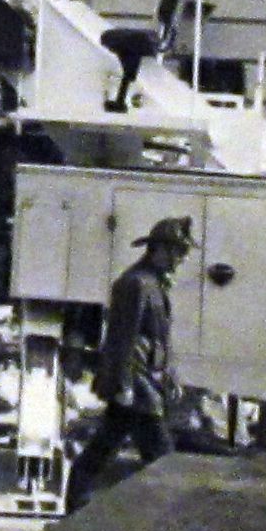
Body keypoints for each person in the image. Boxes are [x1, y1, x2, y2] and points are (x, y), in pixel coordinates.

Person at [65, 217, 191, 507]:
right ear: (158, 249)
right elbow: (122, 338)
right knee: (162, 459)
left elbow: (158, 338)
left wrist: (169, 375)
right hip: (136, 384)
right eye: (176, 253)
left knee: (103, 449)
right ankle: (168, 525)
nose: (179, 261)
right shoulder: (134, 284)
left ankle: (77, 506)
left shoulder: (153, 283)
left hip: (144, 382)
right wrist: (123, 385)